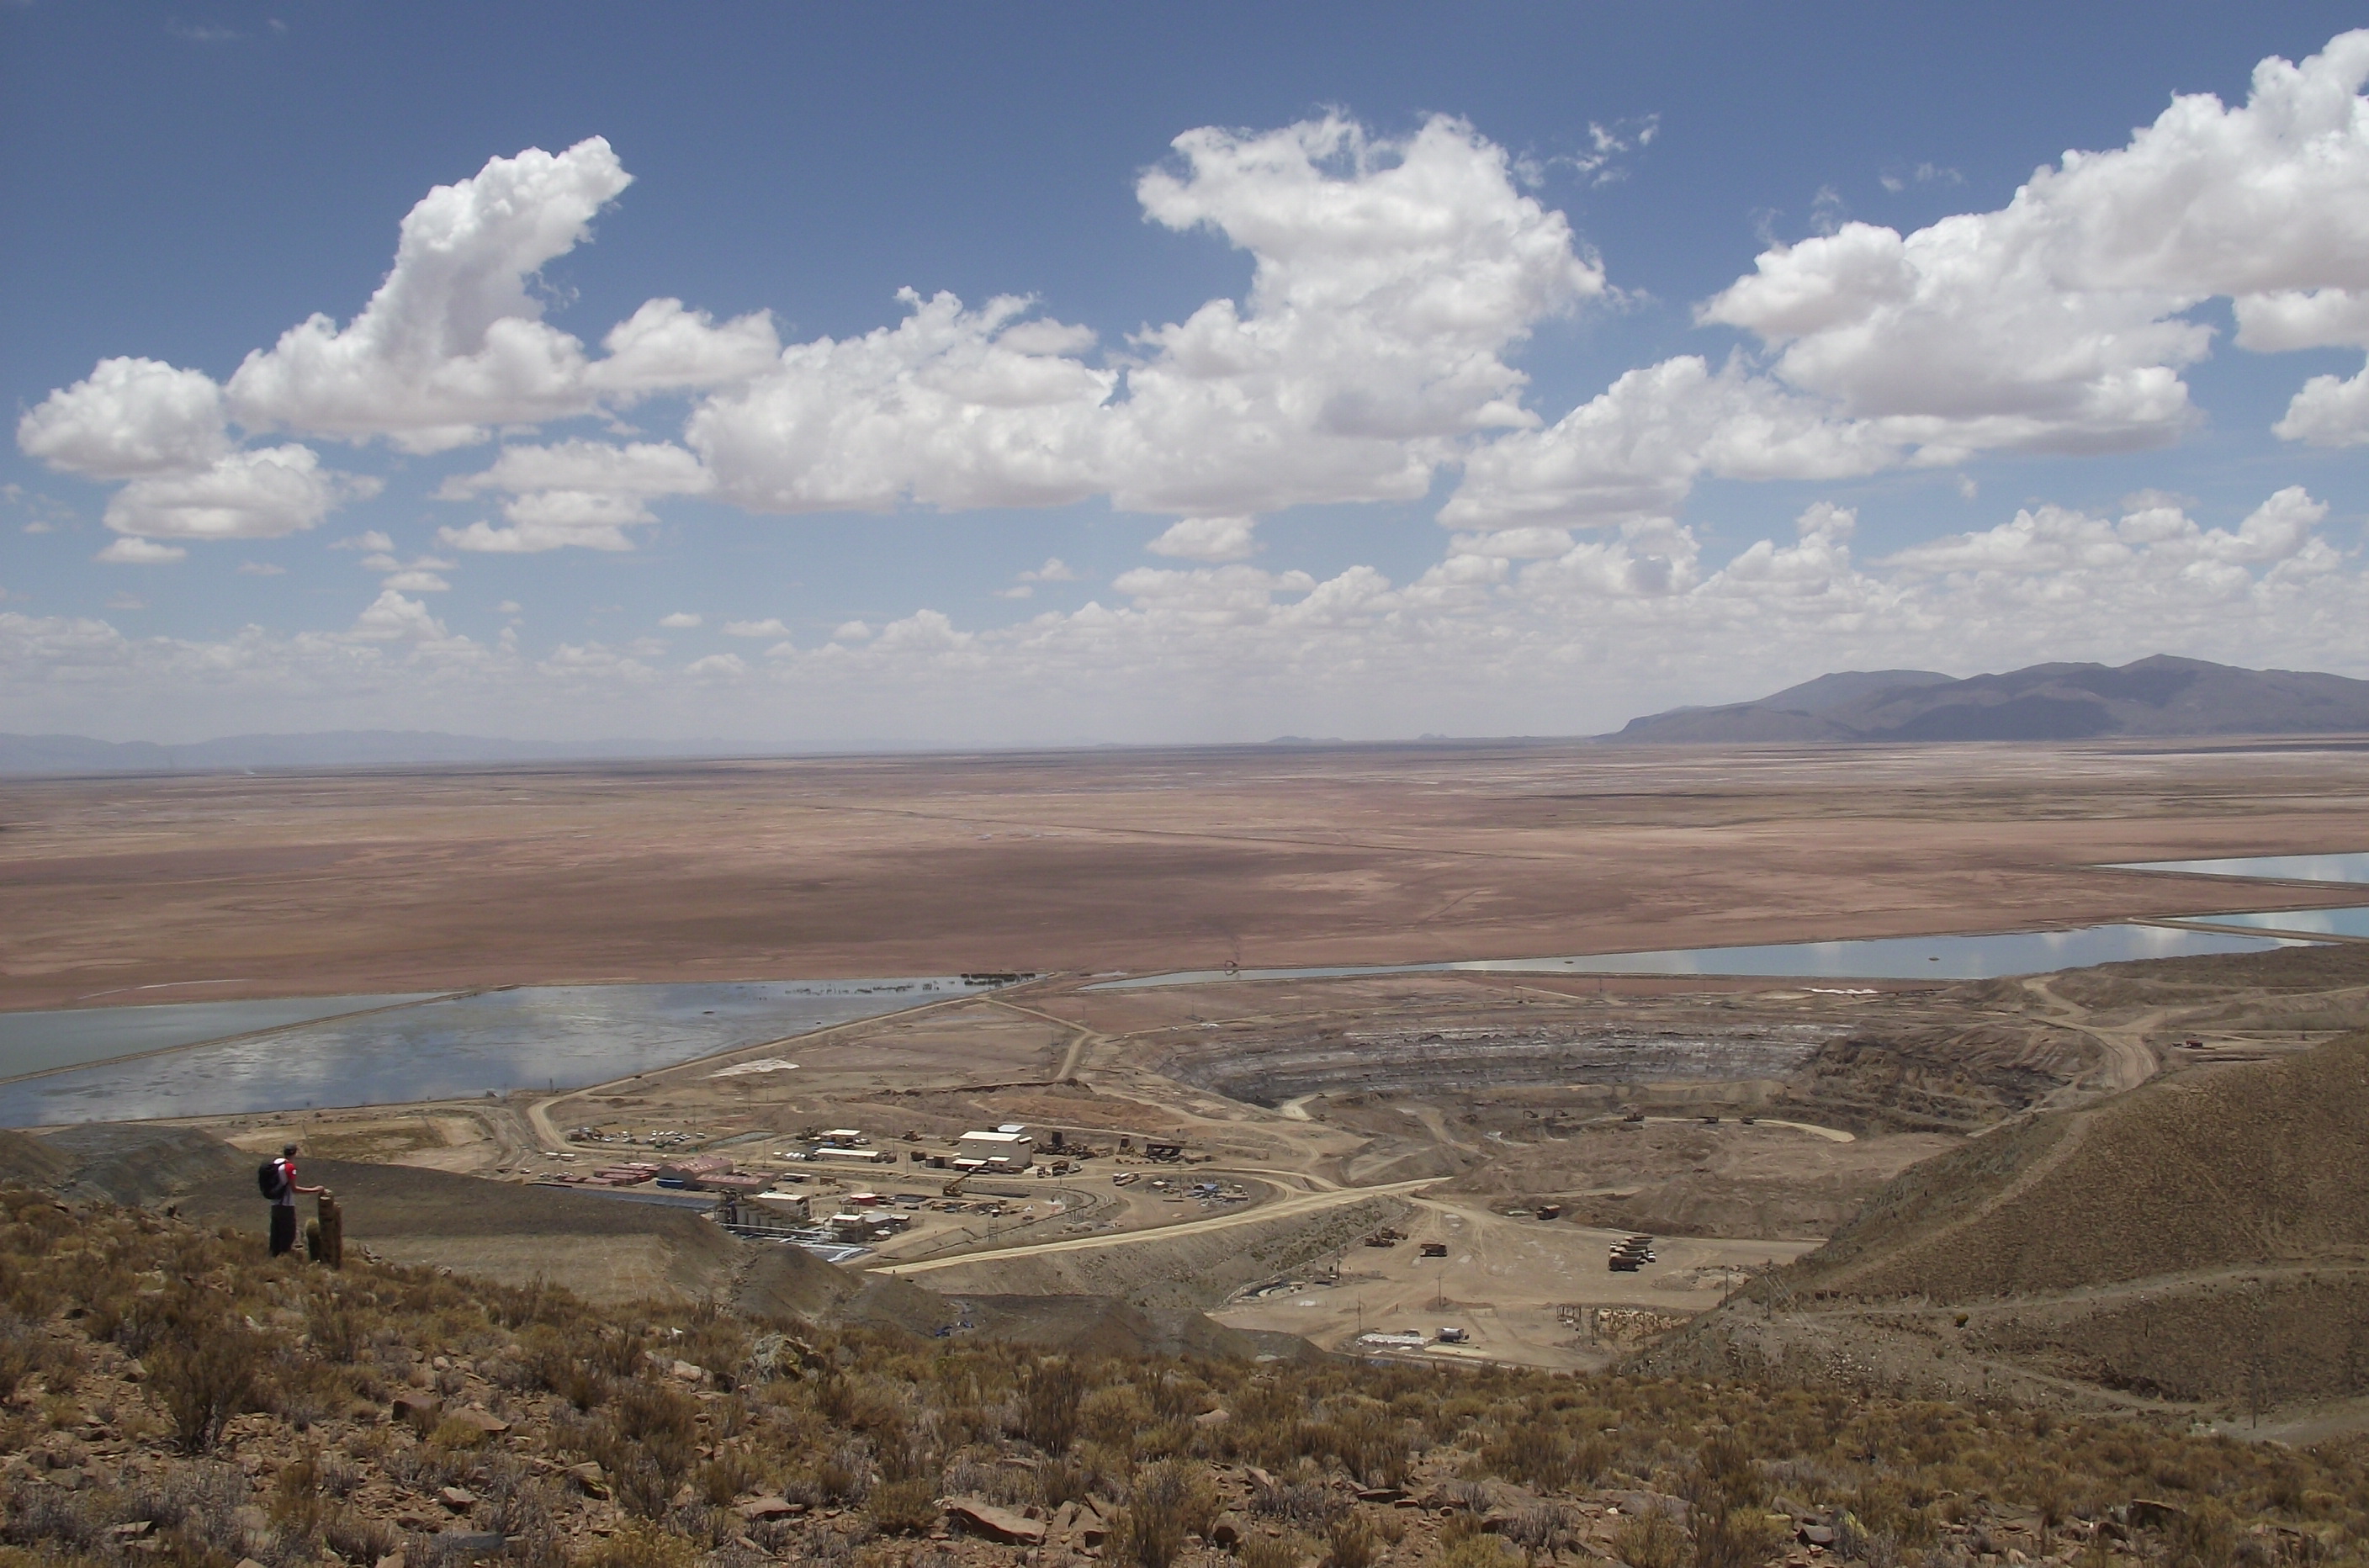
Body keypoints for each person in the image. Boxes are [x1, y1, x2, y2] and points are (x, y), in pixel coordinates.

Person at [267, 1142, 327, 1258]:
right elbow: (294, 1189)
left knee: (275, 1235)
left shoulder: (275, 1164)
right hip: (286, 1206)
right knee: (288, 1235)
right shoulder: (289, 1167)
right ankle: (284, 1260)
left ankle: (272, 1260)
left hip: (274, 1204)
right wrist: (315, 1190)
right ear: (294, 1153)